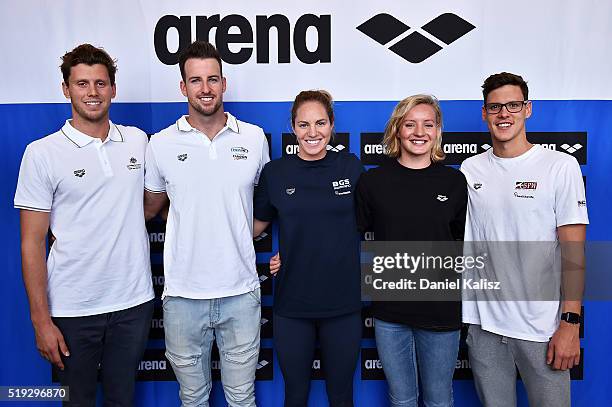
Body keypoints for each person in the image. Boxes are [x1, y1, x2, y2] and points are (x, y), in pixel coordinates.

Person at [14, 44, 154, 406]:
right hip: (72, 309)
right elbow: (31, 242)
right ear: (66, 89)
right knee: (76, 401)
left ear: (113, 89)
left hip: (133, 303)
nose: (92, 93)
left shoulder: (137, 141)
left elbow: (151, 204)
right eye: (82, 84)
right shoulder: (42, 153)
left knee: (123, 399)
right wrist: (40, 321)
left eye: (100, 83)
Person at [143, 41, 269, 407]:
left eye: (212, 79)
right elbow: (152, 206)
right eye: (195, 80)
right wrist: (191, 218)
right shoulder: (161, 144)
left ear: (224, 83)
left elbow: (263, 201)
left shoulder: (254, 138)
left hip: (241, 292)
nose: (205, 89)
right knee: (193, 398)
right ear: (183, 87)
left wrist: (238, 229)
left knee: (242, 399)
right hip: (183, 296)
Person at [460, 72, 588, 407]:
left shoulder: (560, 166)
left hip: (543, 329)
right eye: (496, 107)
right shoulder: (469, 170)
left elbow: (574, 250)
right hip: (485, 328)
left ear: (527, 109)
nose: (504, 113)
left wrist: (570, 324)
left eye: (513, 105)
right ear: (485, 113)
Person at [355, 95, 467, 407]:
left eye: (428, 124)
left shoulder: (455, 181)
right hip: (391, 314)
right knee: (401, 400)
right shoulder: (372, 181)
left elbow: (463, 244)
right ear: (398, 130)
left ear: (437, 130)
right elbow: (347, 236)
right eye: (410, 124)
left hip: (441, 313)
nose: (419, 132)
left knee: (438, 400)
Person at [254, 90, 363, 407]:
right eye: (304, 125)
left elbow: (379, 218)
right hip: (292, 307)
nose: (312, 133)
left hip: (343, 306)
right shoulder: (276, 173)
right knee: (295, 396)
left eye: (320, 123)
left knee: (341, 397)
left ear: (331, 125)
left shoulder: (350, 168)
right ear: (292, 126)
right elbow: (252, 229)